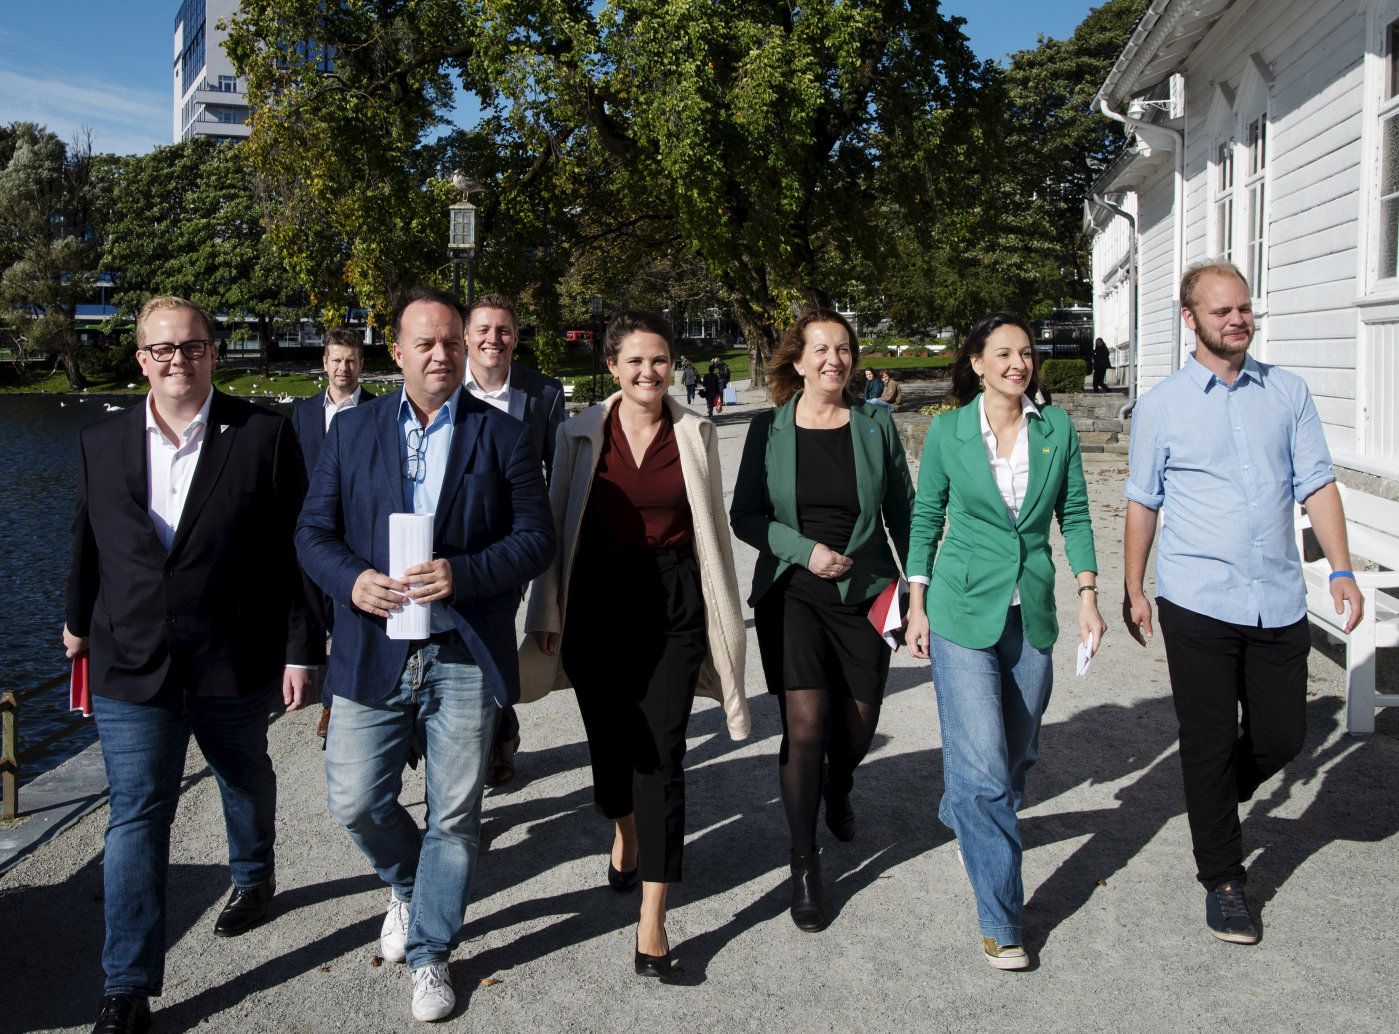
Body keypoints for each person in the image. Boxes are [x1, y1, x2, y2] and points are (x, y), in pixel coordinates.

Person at [63, 296, 323, 1034]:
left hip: (232, 656)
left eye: (192, 346)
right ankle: (127, 985)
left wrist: (302, 649)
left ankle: (253, 874)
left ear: (213, 352)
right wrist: (75, 620)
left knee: (244, 774)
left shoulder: (263, 434)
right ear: (141, 359)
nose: (178, 359)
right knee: (136, 813)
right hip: (130, 661)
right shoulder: (100, 440)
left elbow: (296, 552)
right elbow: (87, 540)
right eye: (163, 349)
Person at [296, 285, 553, 1023]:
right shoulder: (353, 432)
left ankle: (431, 951)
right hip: (373, 645)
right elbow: (311, 534)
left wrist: (462, 574)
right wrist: (353, 581)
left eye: (452, 342)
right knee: (355, 798)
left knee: (455, 815)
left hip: (462, 649)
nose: (442, 354)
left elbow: (536, 540)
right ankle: (412, 887)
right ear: (397, 351)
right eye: (426, 343)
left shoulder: (503, 434)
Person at [1122, 261, 1363, 945]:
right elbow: (1142, 500)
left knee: (1282, 736)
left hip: (1276, 597)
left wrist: (1340, 569)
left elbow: (1317, 483)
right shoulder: (1162, 406)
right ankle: (1223, 880)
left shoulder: (1287, 392)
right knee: (1205, 741)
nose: (1236, 320)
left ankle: (1215, 794)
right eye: (1221, 311)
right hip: (1196, 597)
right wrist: (1133, 587)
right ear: (1190, 319)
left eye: (1243, 308)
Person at [519, 310, 748, 982]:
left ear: (673, 364)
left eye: (659, 360)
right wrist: (545, 611)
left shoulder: (695, 432)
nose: (649, 372)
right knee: (611, 748)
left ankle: (653, 919)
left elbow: (710, 532)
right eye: (636, 361)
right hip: (596, 603)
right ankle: (624, 830)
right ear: (613, 366)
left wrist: (721, 616)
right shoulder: (579, 433)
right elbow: (556, 526)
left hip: (673, 603)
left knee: (663, 754)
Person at [904, 311, 1104, 971]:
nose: (1018, 364)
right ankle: (1001, 921)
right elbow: (927, 516)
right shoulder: (948, 432)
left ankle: (964, 808)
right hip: (961, 611)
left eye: (1025, 353)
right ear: (977, 363)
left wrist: (1087, 593)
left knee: (1017, 752)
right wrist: (916, 603)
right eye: (1003, 354)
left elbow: (1075, 512)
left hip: (1030, 611)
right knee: (985, 769)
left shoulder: (1056, 429)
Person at [730, 310, 913, 933]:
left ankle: (839, 785)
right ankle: (804, 862)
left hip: (866, 593)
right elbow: (746, 515)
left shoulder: (875, 426)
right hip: (795, 592)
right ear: (799, 361)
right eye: (821, 349)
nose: (834, 359)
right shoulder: (769, 429)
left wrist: (918, 589)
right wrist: (804, 551)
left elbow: (903, 512)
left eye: (843, 349)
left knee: (857, 728)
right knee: (804, 726)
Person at [463, 293, 567, 786]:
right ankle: (485, 731)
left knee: (495, 631)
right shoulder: (443, 383)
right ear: (466, 336)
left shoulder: (542, 394)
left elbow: (558, 471)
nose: (494, 339)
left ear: (516, 337)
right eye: (483, 330)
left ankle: (495, 737)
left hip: (512, 544)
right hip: (453, 537)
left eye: (503, 330)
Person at [291, 327, 376, 741]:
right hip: (314, 528)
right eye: (337, 360)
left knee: (347, 614)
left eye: (351, 360)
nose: (344, 368)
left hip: (357, 530)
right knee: (312, 607)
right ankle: (310, 677)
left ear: (361, 365)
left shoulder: (378, 410)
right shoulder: (303, 413)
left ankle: (332, 702)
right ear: (325, 363)